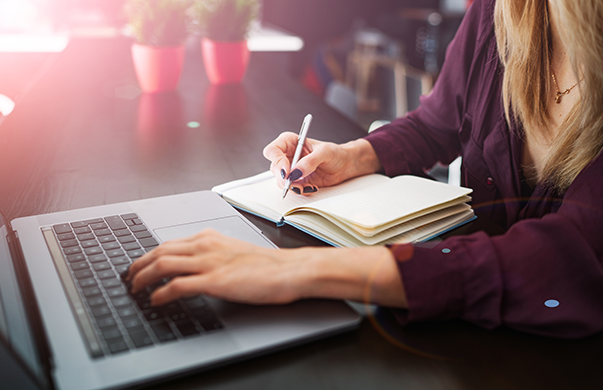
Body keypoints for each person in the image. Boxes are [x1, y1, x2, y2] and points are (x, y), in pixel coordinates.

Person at [128, 0, 603, 339]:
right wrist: (351, 156)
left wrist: (291, 270)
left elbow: (565, 260)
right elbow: (434, 125)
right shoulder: (499, 12)